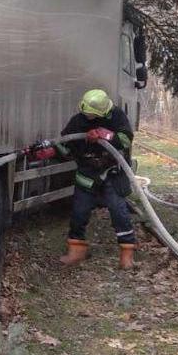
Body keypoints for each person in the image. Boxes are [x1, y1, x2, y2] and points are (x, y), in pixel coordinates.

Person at [56, 89, 136, 269]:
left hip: (112, 173)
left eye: (90, 114)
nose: (86, 116)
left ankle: (127, 253)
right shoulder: (79, 121)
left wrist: (105, 134)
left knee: (118, 211)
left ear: (101, 112)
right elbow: (67, 144)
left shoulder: (116, 116)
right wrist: (53, 150)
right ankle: (76, 251)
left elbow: (125, 140)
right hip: (87, 174)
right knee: (78, 212)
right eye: (85, 112)